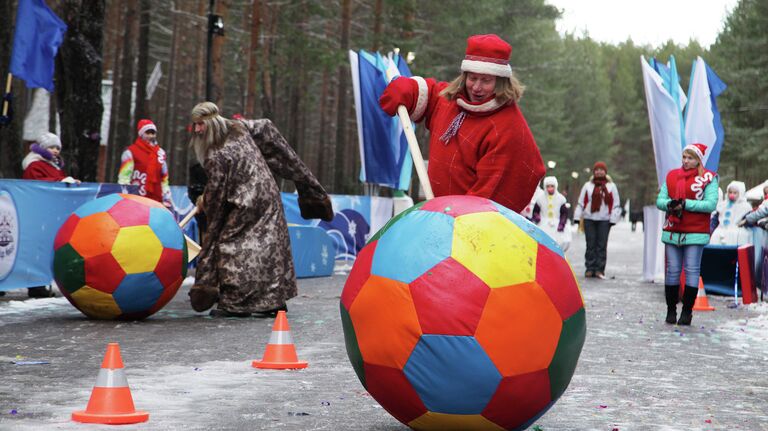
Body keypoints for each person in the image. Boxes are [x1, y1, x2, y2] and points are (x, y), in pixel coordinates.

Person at [187, 102, 333, 318]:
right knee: (269, 249)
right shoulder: (241, 128)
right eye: (195, 125)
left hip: (245, 202)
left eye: (201, 124)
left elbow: (217, 198)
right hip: (268, 195)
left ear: (213, 123)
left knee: (231, 246)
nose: (197, 130)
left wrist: (206, 205)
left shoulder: (215, 156)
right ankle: (273, 301)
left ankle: (235, 304)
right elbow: (265, 126)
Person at [378, 34, 545, 212]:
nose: (476, 87)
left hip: (471, 225)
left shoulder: (508, 128)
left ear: (501, 82)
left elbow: (489, 197)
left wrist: (457, 218)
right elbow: (431, 93)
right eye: (472, 78)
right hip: (438, 212)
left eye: (486, 80)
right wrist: (407, 90)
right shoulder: (450, 101)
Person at [656, 143, 718, 326]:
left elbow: (710, 204)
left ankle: (687, 312)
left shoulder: (708, 178)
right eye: (684, 157)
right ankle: (670, 310)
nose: (686, 161)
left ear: (698, 160)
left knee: (691, 270)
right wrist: (670, 204)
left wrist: (686, 204)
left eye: (690, 158)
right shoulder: (672, 176)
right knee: (672, 270)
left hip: (695, 231)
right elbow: (660, 199)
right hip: (673, 229)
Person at [21, 132, 80, 298]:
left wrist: (71, 183)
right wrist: (60, 183)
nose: (55, 151)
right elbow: (36, 186)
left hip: (48, 213)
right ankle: (35, 286)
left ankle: (40, 285)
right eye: (51, 147)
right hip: (37, 212)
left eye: (57, 148)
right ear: (43, 148)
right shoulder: (34, 165)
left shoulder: (53, 166)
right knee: (37, 249)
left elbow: (59, 181)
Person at [574, 161, 622, 279]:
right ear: (594, 172)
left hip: (605, 220)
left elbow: (616, 204)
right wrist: (577, 217)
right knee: (590, 244)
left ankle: (599, 269)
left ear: (605, 172)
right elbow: (581, 202)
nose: (599, 171)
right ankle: (590, 268)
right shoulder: (587, 186)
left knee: (601, 245)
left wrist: (613, 218)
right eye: (597, 169)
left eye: (602, 169)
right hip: (589, 218)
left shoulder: (611, 186)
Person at [117, 119, 172, 208]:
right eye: (147, 133)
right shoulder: (131, 152)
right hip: (136, 201)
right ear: (141, 134)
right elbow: (124, 178)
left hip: (156, 201)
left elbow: (164, 179)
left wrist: (167, 198)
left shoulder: (161, 153)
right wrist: (125, 198)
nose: (151, 136)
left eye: (153, 133)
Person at [533, 176, 571, 251]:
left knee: (558, 243)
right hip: (543, 224)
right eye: (548, 186)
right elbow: (535, 212)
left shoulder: (561, 199)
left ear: (555, 186)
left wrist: (562, 224)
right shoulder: (540, 198)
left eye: (552, 186)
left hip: (557, 225)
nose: (550, 188)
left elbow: (564, 213)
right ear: (545, 187)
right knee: (543, 243)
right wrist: (537, 218)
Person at [710, 181, 751, 245]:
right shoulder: (722, 205)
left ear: (740, 193)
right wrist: (711, 229)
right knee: (716, 237)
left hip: (737, 231)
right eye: (730, 192)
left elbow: (748, 219)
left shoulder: (745, 206)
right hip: (720, 230)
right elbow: (715, 219)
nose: (732, 194)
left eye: (735, 193)